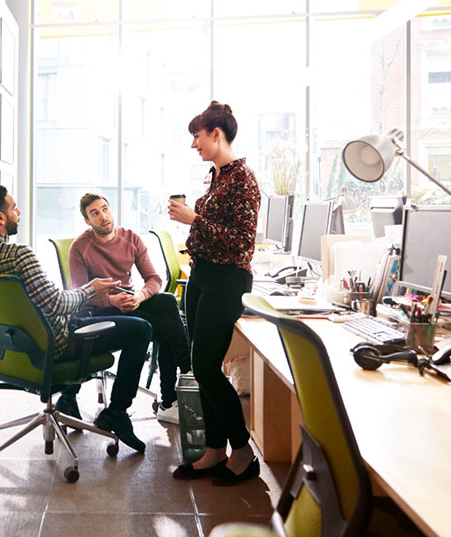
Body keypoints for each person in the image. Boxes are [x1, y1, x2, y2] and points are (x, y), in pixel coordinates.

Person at [0, 185, 152, 452]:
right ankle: (117, 413)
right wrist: (92, 289)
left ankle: (68, 400)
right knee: (141, 329)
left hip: (12, 351)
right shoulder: (19, 256)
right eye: (13, 208)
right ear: (0, 218)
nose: (18, 212)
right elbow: (57, 304)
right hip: (59, 344)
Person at [168, 101, 262, 485]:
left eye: (197, 136)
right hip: (203, 275)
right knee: (199, 364)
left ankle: (242, 452)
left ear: (216, 134)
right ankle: (213, 449)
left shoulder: (244, 180)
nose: (194, 144)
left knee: (207, 366)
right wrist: (196, 227)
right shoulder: (218, 177)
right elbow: (214, 231)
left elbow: (242, 242)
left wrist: (196, 219)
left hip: (227, 279)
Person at [68, 193, 192, 424]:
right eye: (95, 213)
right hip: (101, 311)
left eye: (105, 209)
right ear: (87, 221)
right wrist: (111, 301)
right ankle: (174, 394)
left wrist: (140, 296)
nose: (103, 216)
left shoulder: (130, 238)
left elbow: (154, 278)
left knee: (165, 302)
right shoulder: (80, 247)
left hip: (130, 303)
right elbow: (79, 297)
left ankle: (184, 374)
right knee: (166, 326)